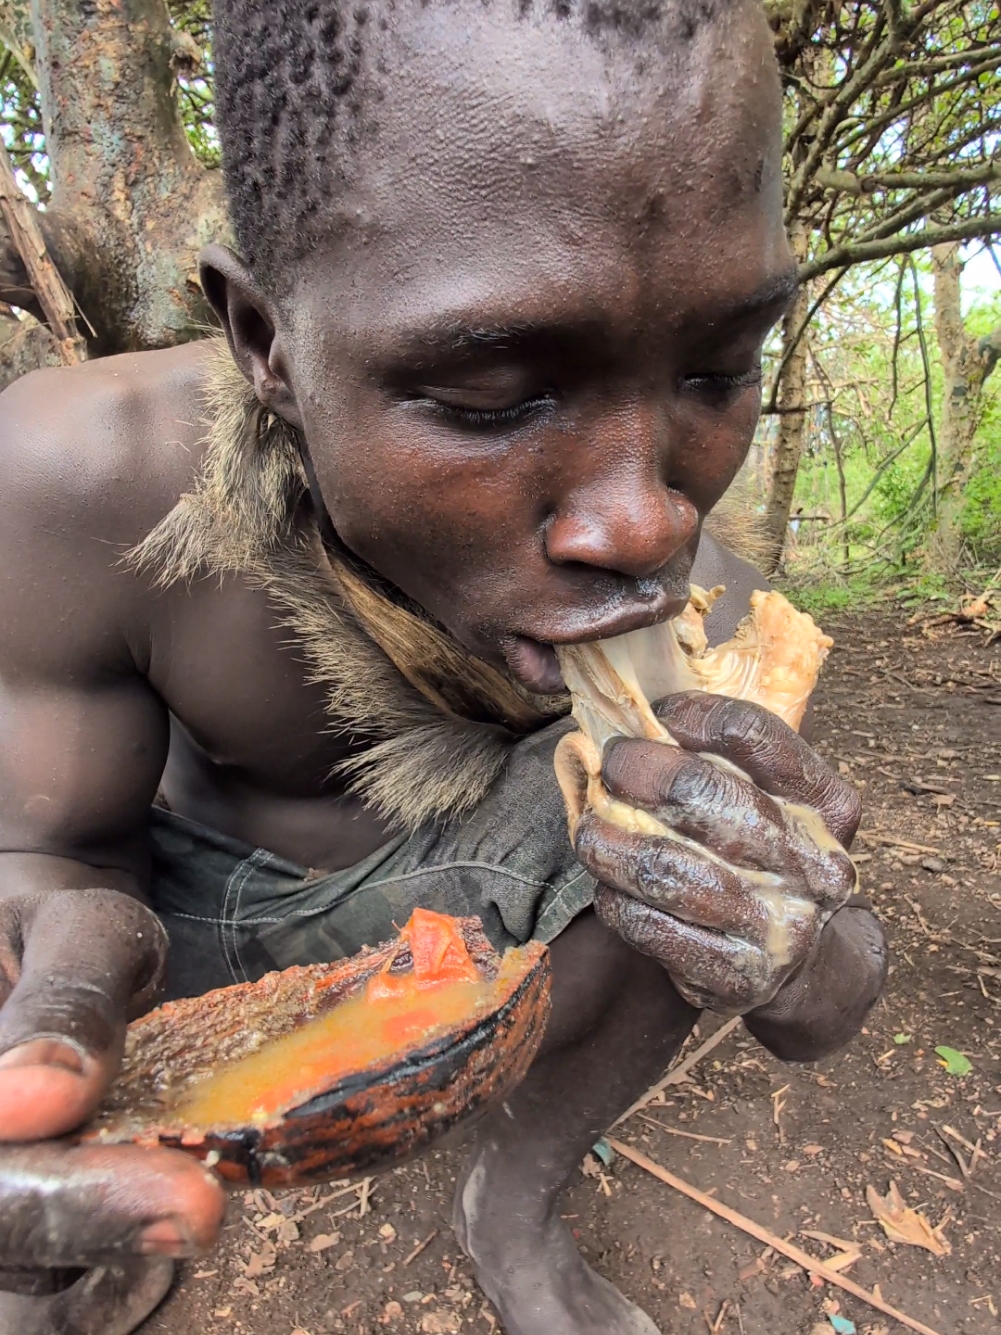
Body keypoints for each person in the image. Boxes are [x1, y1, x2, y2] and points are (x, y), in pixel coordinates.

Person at [0, 1, 888, 1332]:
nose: (648, 525)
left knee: (678, 821)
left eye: (717, 367)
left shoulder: (703, 622)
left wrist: (792, 950)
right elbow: (47, 850)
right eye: (489, 397)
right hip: (191, 915)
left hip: (488, 912)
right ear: (267, 345)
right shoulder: (81, 484)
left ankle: (511, 1204)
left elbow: (818, 1003)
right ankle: (96, 1224)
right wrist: (58, 970)